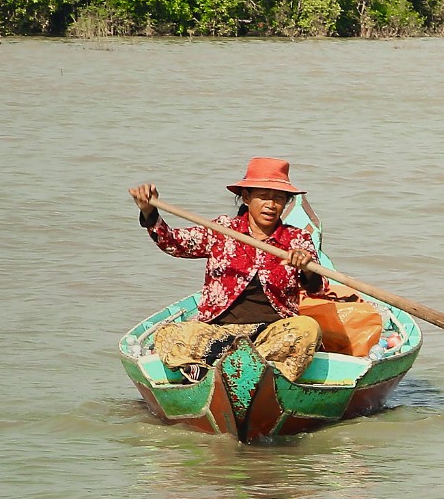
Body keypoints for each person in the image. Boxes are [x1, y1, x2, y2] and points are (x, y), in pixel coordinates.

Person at [128, 158, 335, 383]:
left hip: (271, 336)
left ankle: (259, 373)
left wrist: (306, 268)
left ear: (285, 203)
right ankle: (214, 369)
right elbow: (174, 243)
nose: (271, 205)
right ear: (246, 198)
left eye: (278, 198)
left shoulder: (297, 239)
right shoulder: (223, 229)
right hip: (218, 333)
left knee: (308, 329)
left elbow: (319, 288)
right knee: (169, 333)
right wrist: (150, 212)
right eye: (263, 197)